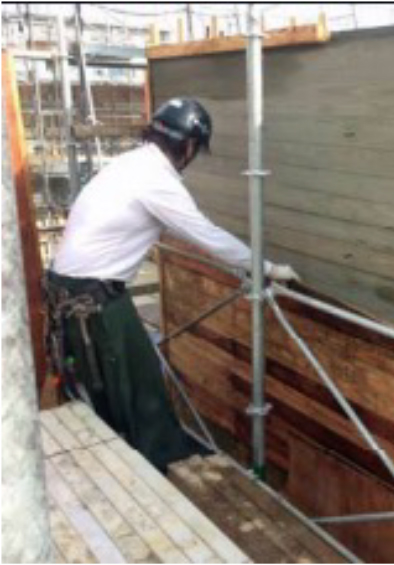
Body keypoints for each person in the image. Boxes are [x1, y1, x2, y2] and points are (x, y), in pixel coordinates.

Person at [46, 97, 296, 472]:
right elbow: (206, 235)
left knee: (108, 389)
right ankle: (162, 470)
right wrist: (266, 268)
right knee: (141, 388)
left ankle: (133, 460)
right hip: (93, 301)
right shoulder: (156, 180)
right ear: (189, 146)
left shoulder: (131, 164)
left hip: (72, 294)